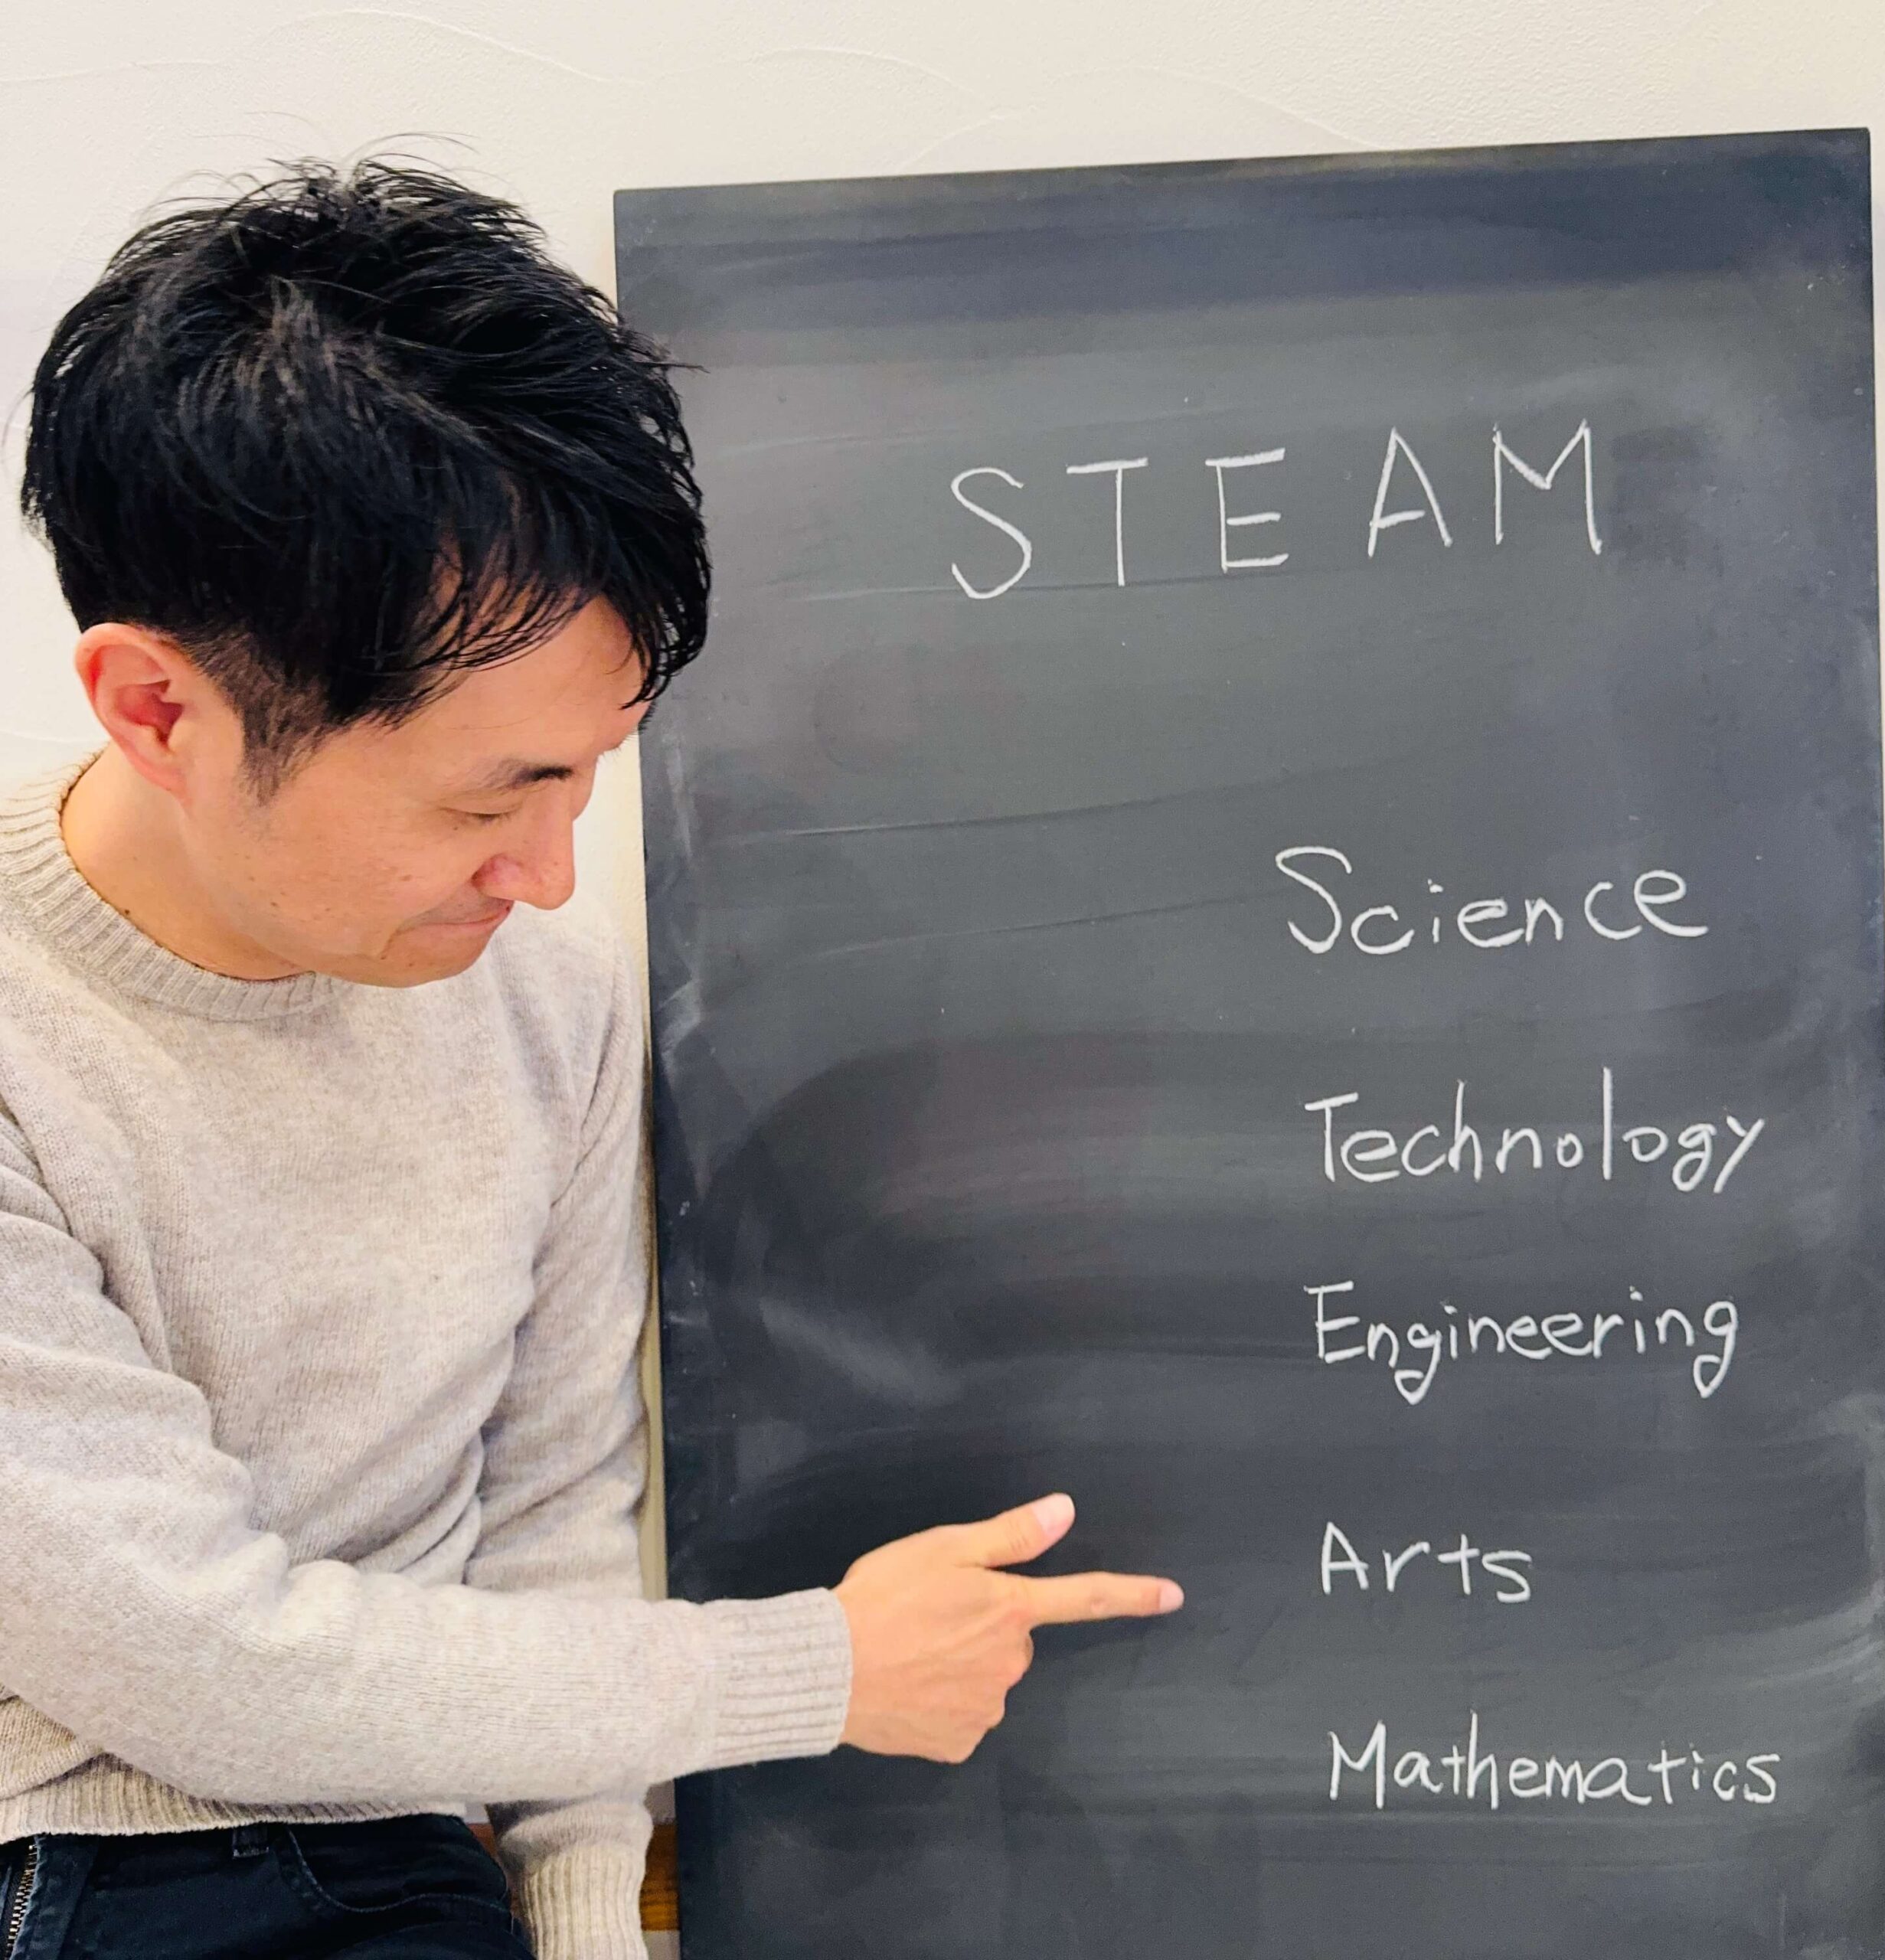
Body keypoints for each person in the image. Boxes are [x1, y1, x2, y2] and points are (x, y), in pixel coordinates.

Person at [0, 160, 1184, 1960]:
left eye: (586, 774)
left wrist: (577, 1916)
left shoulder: (539, 999)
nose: (548, 875)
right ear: (160, 709)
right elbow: (200, 1655)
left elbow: (553, 1506)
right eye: (490, 796)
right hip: (74, 1865)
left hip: (414, 1859)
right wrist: (816, 1666)